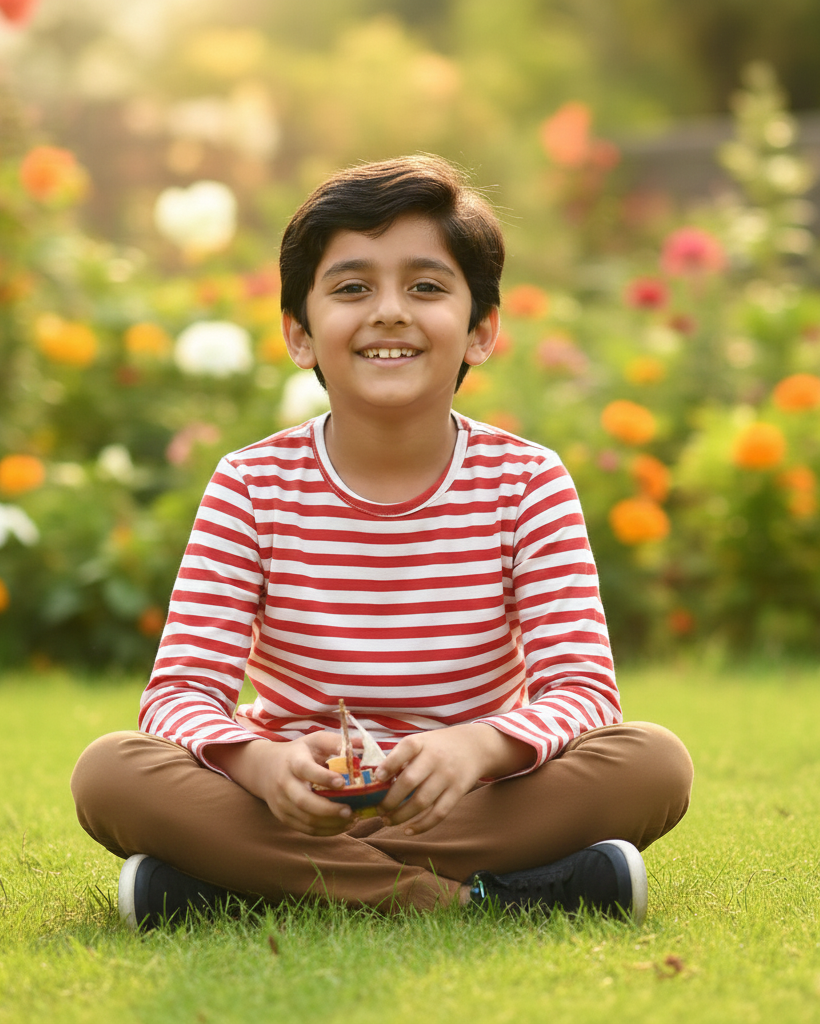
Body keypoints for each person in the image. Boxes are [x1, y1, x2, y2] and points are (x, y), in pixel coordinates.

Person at [71, 155, 693, 930]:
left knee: (652, 763)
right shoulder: (250, 485)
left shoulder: (528, 482)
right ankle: (470, 901)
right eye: (352, 288)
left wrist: (478, 748)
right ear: (300, 334)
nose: (390, 312)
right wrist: (261, 765)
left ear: (481, 330)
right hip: (292, 804)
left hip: (470, 801)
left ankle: (242, 883)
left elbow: (584, 694)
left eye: (426, 287)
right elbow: (179, 697)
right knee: (110, 773)